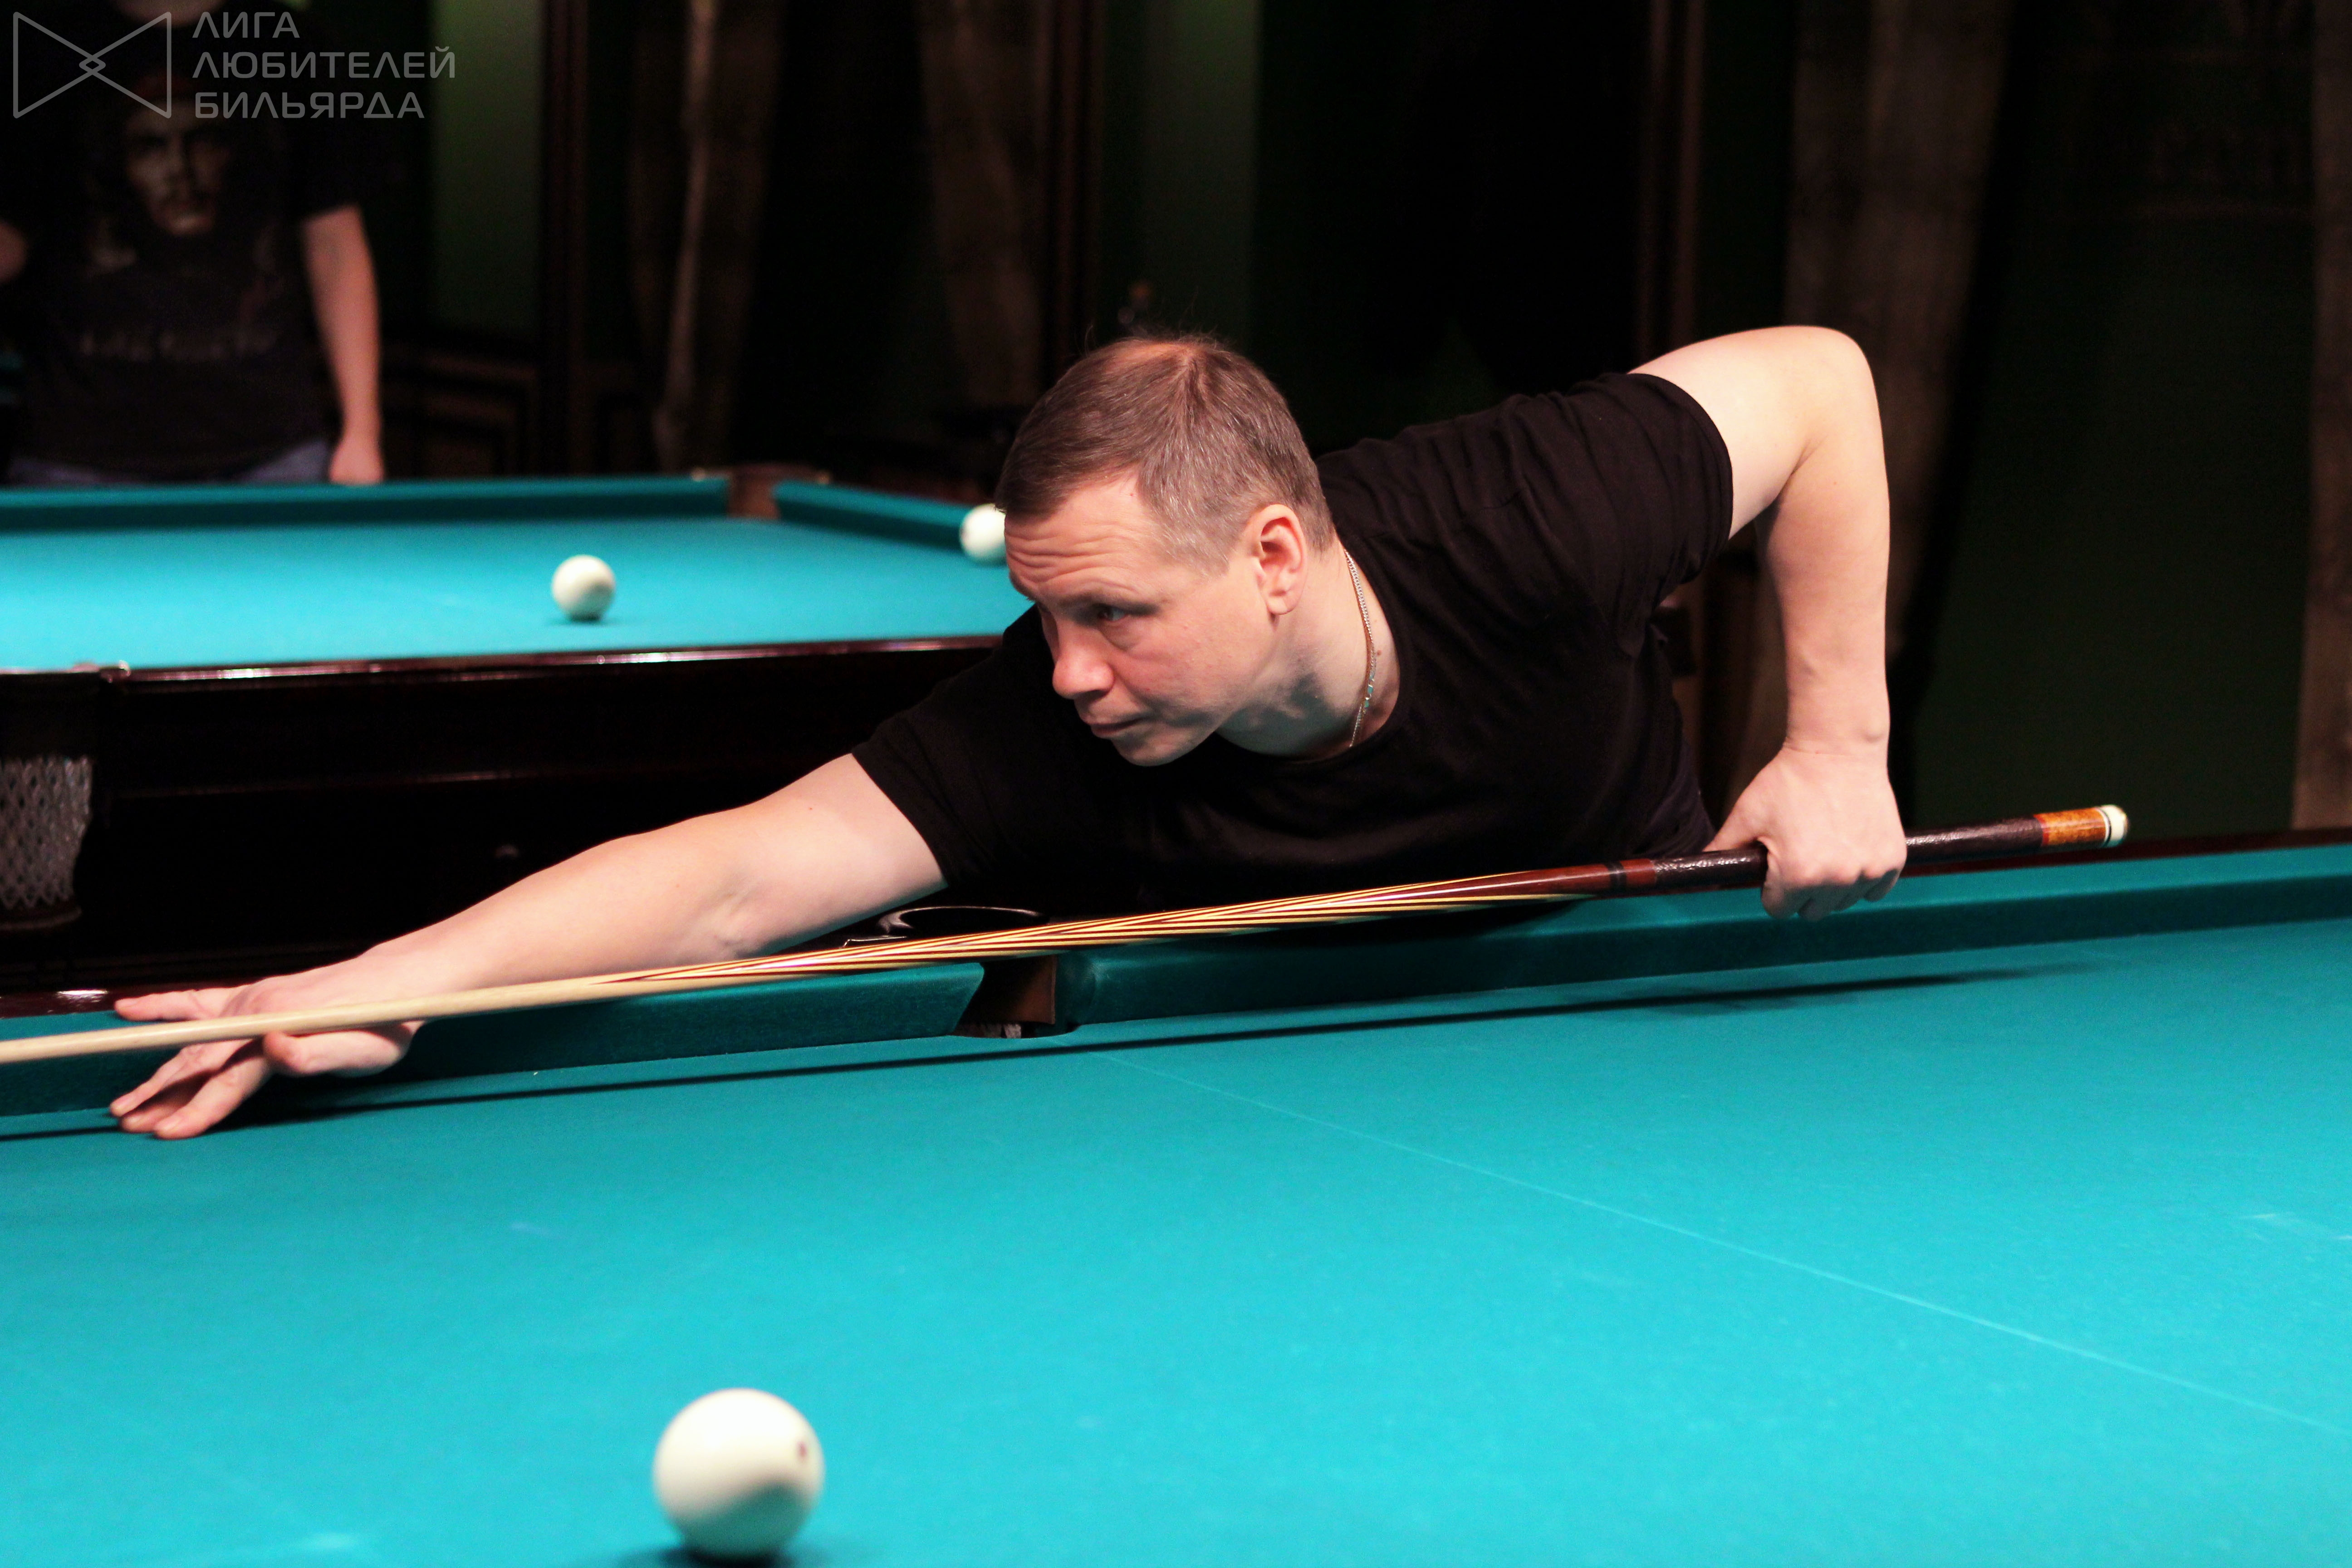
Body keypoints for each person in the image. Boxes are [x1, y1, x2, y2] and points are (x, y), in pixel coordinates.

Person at [108, 326, 1906, 1138]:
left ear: (1275, 555)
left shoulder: (1527, 512)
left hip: (1644, 982)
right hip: (1289, 1098)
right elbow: (736, 875)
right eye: (1048, 614)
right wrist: (393, 978)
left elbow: (1821, 382)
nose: (1067, 671)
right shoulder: (1052, 729)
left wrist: (1837, 740)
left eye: (1115, 613)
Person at [0, 0, 383, 485]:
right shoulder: (42, 45)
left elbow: (335, 245)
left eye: (204, 140)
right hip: (74, 456)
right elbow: (9, 238)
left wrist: (362, 432)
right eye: (151, 148)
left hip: (273, 454)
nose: (180, 172)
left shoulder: (291, 43)